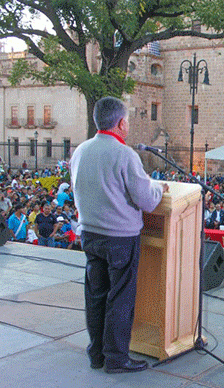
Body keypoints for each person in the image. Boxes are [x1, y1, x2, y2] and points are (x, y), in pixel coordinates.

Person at [70, 96, 167, 374]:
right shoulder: (125, 155)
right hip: (120, 238)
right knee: (120, 298)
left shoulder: (81, 150)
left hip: (89, 234)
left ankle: (96, 354)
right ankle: (116, 358)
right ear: (121, 123)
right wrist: (158, 188)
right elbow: (148, 201)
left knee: (96, 295)